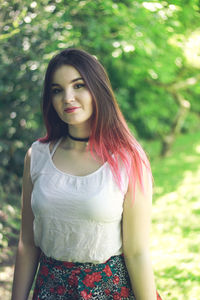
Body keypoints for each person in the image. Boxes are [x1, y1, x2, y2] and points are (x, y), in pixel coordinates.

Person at [11, 48, 162, 300]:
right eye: (57, 90)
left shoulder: (128, 158)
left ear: (97, 89)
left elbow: (137, 253)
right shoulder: (36, 156)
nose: (67, 98)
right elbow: (27, 244)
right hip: (50, 291)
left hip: (111, 291)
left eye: (78, 85)